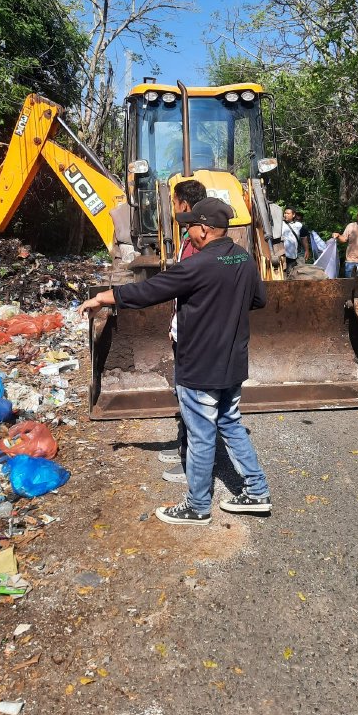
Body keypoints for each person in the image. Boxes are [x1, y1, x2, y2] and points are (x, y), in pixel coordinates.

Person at [79, 197, 271, 526]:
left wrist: (102, 297)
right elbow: (258, 299)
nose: (187, 230)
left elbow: (147, 291)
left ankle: (197, 507)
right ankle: (257, 492)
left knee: (200, 434)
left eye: (191, 225)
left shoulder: (197, 265)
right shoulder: (244, 259)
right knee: (230, 423)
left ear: (206, 229)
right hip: (233, 362)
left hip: (200, 365)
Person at [160, 178, 207, 484]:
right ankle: (182, 444)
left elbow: (189, 291)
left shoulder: (196, 246)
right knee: (183, 392)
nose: (173, 208)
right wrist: (173, 323)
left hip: (193, 334)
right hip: (184, 329)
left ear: (184, 205)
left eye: (174, 202)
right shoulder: (187, 241)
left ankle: (192, 463)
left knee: (192, 398)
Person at [282, 207, 310, 275]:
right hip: (282, 255)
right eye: (285, 213)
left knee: (293, 274)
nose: (286, 215)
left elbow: (304, 238)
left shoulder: (299, 225)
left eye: (288, 213)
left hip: (293, 255)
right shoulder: (280, 224)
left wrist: (307, 250)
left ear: (293, 215)